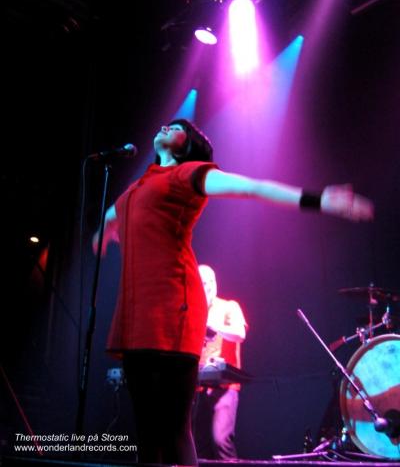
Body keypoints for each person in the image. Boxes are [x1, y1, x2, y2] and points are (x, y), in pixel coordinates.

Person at [93, 118, 373, 466]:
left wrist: (319, 200)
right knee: (147, 427)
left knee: (174, 428)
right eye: (166, 124)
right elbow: (113, 214)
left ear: (189, 145)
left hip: (172, 305)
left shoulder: (189, 173)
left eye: (177, 127)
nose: (166, 127)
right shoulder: (139, 186)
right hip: (135, 312)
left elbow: (251, 188)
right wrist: (103, 232)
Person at [194, 264, 247, 459]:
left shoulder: (228, 306)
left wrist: (213, 325)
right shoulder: (194, 311)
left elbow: (240, 334)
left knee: (220, 440)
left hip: (224, 386)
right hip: (198, 386)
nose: (208, 286)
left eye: (211, 281)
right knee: (198, 444)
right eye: (203, 282)